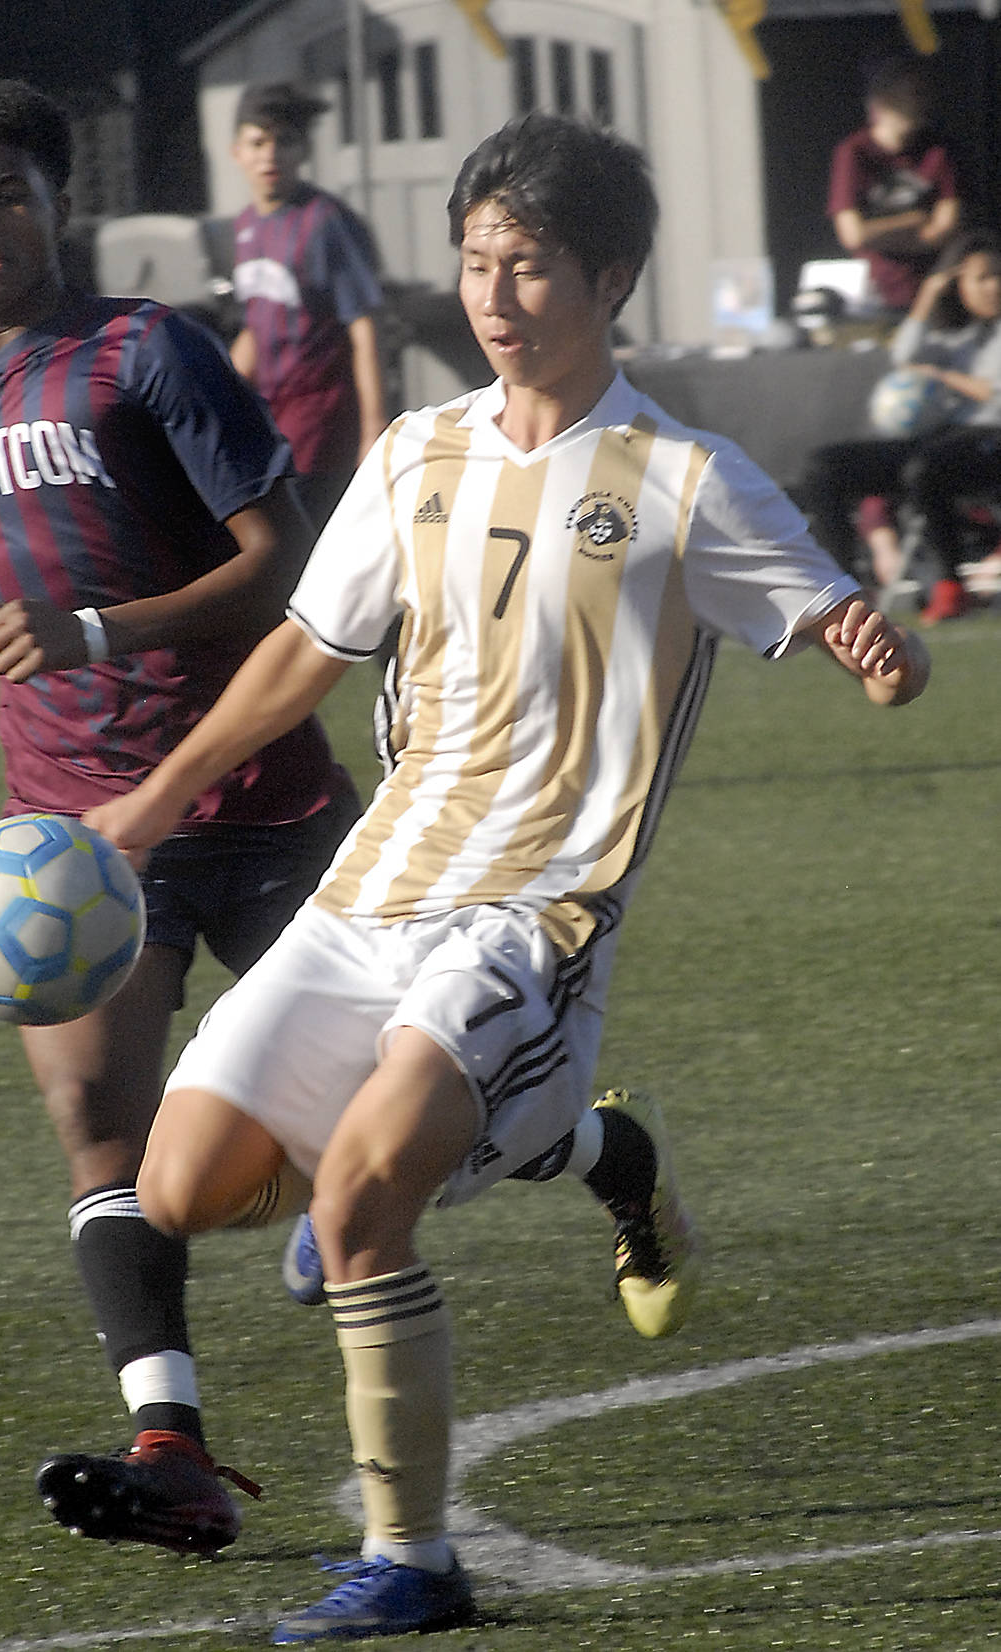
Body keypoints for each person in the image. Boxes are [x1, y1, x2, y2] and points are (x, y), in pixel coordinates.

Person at [80, 113, 930, 1641]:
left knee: (359, 1205)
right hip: (371, 894)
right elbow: (303, 655)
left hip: (536, 913)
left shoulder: (686, 479)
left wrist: (879, 648)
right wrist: (149, 802)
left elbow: (852, 630)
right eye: (477, 262)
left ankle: (412, 1564)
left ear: (609, 278)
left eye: (528, 264)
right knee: (179, 1186)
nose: (494, 294)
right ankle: (595, 1147)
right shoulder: (416, 452)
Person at [0, 75, 363, 1559]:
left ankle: (597, 1152)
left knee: (405, 1114)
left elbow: (283, 563)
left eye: (6, 194)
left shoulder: (147, 350)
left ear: (55, 205)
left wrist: (97, 630)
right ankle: (173, 1450)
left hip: (259, 796)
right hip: (73, 844)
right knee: (99, 1125)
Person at [801, 227, 1001, 623]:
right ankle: (843, 588)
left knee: (926, 468)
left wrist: (943, 377)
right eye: (981, 278)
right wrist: (928, 296)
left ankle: (949, 585)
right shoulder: (959, 340)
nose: (993, 286)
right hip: (943, 439)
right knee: (824, 466)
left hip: (989, 440)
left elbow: (993, 393)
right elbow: (903, 356)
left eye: (997, 275)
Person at [229, 82, 386, 526]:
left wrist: (374, 428)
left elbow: (365, 328)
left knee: (308, 537)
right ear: (236, 151)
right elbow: (255, 328)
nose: (270, 155)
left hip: (322, 419)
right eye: (258, 142)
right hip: (271, 418)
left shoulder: (326, 222)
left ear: (304, 150)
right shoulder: (245, 227)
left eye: (284, 142)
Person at [827, 54, 960, 319]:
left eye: (918, 95)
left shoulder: (937, 151)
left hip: (930, 294)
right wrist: (915, 220)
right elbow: (852, 235)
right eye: (904, 96)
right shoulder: (854, 152)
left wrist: (876, 232)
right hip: (875, 295)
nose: (914, 104)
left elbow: (945, 229)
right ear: (879, 104)